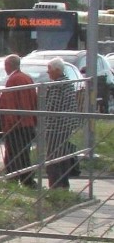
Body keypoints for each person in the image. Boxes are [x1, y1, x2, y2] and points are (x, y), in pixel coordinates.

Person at [0, 54, 37, 187]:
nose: (4, 68)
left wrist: (8, 125)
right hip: (28, 123)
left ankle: (14, 180)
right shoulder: (27, 78)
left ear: (9, 65)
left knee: (13, 154)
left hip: (17, 125)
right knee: (24, 153)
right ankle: (27, 180)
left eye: (5, 65)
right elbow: (33, 101)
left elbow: (10, 104)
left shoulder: (13, 80)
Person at [44, 57, 78, 189]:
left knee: (53, 157)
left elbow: (52, 106)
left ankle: (56, 186)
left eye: (49, 70)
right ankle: (63, 185)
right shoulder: (67, 83)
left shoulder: (57, 85)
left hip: (56, 127)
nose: (48, 73)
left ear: (57, 70)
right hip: (66, 126)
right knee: (62, 156)